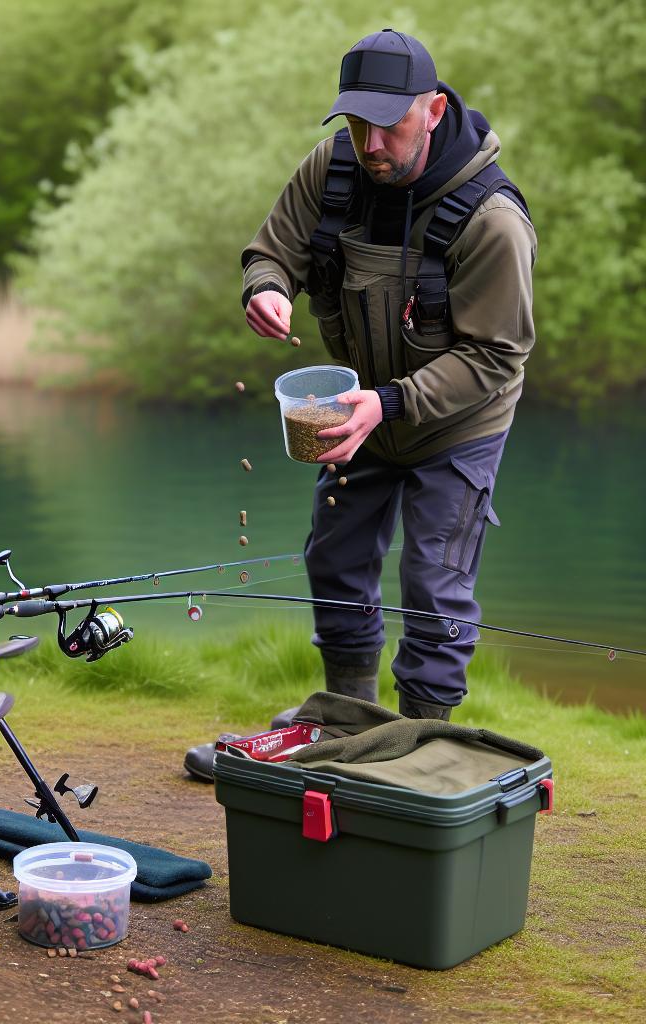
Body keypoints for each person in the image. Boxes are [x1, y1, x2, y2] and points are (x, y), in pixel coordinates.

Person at [184, 29, 537, 781]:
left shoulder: (492, 220)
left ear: (434, 109)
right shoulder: (333, 168)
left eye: (391, 124)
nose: (371, 143)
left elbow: (496, 356)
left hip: (458, 421)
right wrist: (268, 289)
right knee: (336, 557)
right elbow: (270, 247)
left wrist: (387, 402)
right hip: (361, 408)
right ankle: (351, 720)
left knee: (433, 585)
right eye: (356, 124)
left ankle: (421, 744)